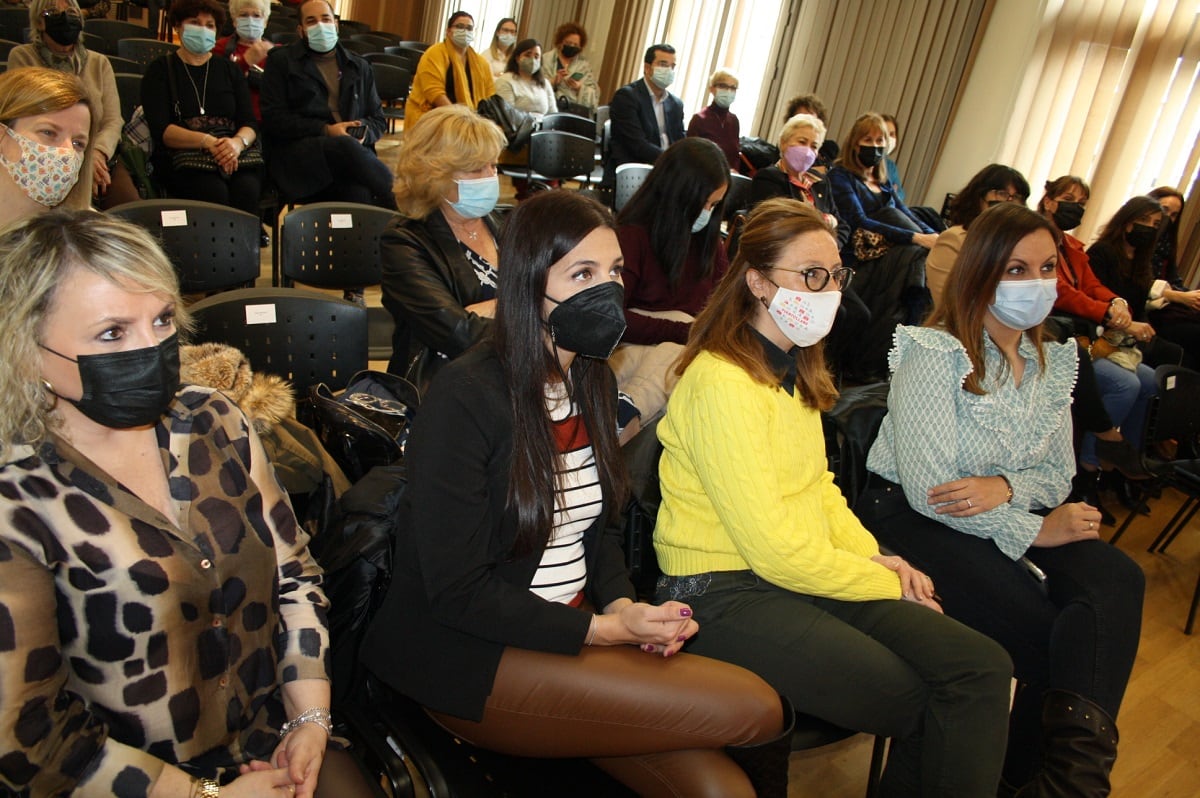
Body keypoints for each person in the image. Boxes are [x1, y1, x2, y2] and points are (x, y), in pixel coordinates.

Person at [362, 191, 791, 798]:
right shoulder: (466, 397)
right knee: (757, 707)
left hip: (575, 630)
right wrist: (602, 633)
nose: (607, 291)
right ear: (529, 284)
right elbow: (458, 592)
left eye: (614, 272)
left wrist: (620, 607)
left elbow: (601, 531)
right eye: (582, 274)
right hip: (473, 657)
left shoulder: (591, 375)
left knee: (720, 789)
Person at [0, 209, 374, 797]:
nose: (153, 350)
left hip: (269, 738)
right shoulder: (16, 498)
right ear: (27, 351)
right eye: (112, 333)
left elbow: (294, 576)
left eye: (162, 320)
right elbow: (30, 739)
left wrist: (309, 718)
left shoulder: (212, 419)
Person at [654, 197, 1013, 797]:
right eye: (810, 275)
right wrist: (881, 580)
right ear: (758, 283)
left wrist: (880, 560)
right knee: (923, 696)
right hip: (720, 590)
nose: (828, 291)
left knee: (981, 667)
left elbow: (818, 490)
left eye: (835, 276)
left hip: (790, 574)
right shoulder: (721, 380)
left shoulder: (791, 369)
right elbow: (772, 550)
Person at [861, 202, 1145, 797]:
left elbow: (1058, 474)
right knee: (1044, 633)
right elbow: (933, 490)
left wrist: (1009, 489)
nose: (1036, 284)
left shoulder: (1050, 358)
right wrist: (1033, 529)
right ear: (982, 273)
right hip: (914, 516)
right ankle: (1024, 781)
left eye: (1046, 269)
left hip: (999, 507)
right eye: (1016, 269)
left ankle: (1066, 781)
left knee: (1118, 579)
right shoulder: (933, 352)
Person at [1037, 177, 1157, 517]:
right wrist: (1109, 313)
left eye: (1082, 201)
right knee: (1125, 383)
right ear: (1048, 201)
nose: (1076, 206)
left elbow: (1092, 286)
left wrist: (1115, 302)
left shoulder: (1073, 246)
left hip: (1083, 333)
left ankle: (1117, 470)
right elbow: (1061, 292)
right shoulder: (1032, 238)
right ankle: (1088, 469)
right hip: (1050, 331)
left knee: (1149, 382)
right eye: (1068, 198)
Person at [380, 105, 505, 390]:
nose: (490, 176)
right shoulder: (404, 241)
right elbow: (459, 333)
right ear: (434, 175)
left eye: (494, 165)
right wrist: (522, 308)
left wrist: (485, 309)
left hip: (511, 374)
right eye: (476, 168)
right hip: (446, 386)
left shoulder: (503, 223)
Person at [613, 136, 730, 422]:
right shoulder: (632, 235)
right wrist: (682, 329)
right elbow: (613, 317)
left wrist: (687, 331)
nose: (708, 214)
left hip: (677, 347)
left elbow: (723, 303)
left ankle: (623, 414)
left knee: (679, 352)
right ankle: (625, 415)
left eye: (715, 205)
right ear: (678, 195)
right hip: (629, 344)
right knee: (678, 349)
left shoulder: (707, 241)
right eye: (704, 203)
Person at [827, 112, 936, 379]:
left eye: (880, 140)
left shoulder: (883, 182)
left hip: (893, 256)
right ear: (855, 143)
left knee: (919, 249)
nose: (875, 146)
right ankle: (911, 316)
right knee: (913, 248)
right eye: (868, 139)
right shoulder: (842, 177)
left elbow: (908, 214)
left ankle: (909, 324)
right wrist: (915, 237)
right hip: (861, 256)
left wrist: (937, 238)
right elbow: (859, 220)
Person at [260, 0, 393, 208]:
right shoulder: (281, 62)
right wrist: (327, 130)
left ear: (336, 24)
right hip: (302, 158)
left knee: (360, 195)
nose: (320, 25)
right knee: (344, 145)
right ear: (300, 30)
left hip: (350, 161)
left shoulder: (358, 66)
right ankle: (403, 201)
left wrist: (363, 133)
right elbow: (274, 119)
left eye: (326, 19)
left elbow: (377, 120)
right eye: (311, 21)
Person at [9, 0, 136, 208]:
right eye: (54, 12)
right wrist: (79, 160)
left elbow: (113, 120)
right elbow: (26, 115)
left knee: (130, 209)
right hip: (47, 156)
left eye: (70, 12)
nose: (65, 18)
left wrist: (96, 154)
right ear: (39, 22)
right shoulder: (23, 57)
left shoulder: (99, 63)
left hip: (100, 157)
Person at [141, 0, 262, 217]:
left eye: (210, 25)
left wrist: (236, 143)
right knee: (211, 191)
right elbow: (162, 130)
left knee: (247, 189)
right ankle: (210, 250)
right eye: (195, 23)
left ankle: (241, 250)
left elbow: (249, 122)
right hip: (183, 156)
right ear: (178, 26)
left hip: (232, 153)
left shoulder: (229, 69)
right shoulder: (160, 69)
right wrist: (207, 142)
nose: (203, 30)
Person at [927, 163, 1031, 311]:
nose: (1009, 201)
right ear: (979, 196)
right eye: (1001, 193)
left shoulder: (1017, 244)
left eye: (1016, 197)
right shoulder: (954, 239)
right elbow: (949, 305)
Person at [0, 67, 92, 227]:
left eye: (78, 143)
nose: (67, 152)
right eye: (49, 132)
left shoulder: (86, 236)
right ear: (2, 135)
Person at [606, 43, 684, 183]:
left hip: (667, 172)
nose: (669, 70)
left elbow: (680, 141)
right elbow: (637, 145)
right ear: (647, 68)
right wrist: (670, 161)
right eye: (663, 64)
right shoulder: (627, 97)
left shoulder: (675, 104)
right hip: (633, 170)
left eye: (672, 66)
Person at [405, 11, 495, 130]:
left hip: (469, 120)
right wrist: (460, 121)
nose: (465, 31)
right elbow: (435, 93)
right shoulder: (434, 54)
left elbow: (490, 95)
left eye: (469, 28)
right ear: (448, 31)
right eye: (459, 27)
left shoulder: (481, 62)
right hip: (433, 115)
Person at [1145, 186, 1200, 367]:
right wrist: (1178, 296)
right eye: (1164, 209)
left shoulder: (1166, 246)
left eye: (1174, 215)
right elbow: (1136, 285)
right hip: (1150, 314)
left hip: (1170, 310)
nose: (1167, 218)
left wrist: (1191, 297)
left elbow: (1175, 281)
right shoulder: (1136, 241)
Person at [214, 0, 275, 121]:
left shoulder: (276, 51)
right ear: (234, 21)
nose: (250, 21)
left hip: (269, 121)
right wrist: (244, 63)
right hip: (233, 119)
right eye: (244, 15)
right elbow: (217, 86)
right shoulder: (220, 48)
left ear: (266, 22)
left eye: (256, 15)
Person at [541, 21, 600, 115]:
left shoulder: (584, 65)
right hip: (549, 109)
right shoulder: (546, 59)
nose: (572, 46)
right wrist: (553, 81)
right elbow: (535, 85)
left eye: (575, 45)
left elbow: (594, 92)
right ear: (560, 42)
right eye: (568, 43)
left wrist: (580, 87)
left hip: (574, 111)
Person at [686, 68, 740, 168]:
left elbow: (735, 156)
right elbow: (690, 156)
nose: (728, 91)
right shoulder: (699, 119)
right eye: (723, 86)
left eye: (733, 88)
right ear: (712, 89)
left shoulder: (734, 120)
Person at [494, 37, 556, 119]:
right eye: (528, 55)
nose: (532, 60)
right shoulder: (505, 81)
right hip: (517, 129)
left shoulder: (545, 83)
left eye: (536, 56)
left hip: (543, 129)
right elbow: (508, 116)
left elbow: (553, 114)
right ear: (517, 58)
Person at [880, 113, 906, 202]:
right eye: (885, 134)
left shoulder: (890, 166)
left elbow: (901, 194)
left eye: (892, 134)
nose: (889, 138)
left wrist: (893, 194)